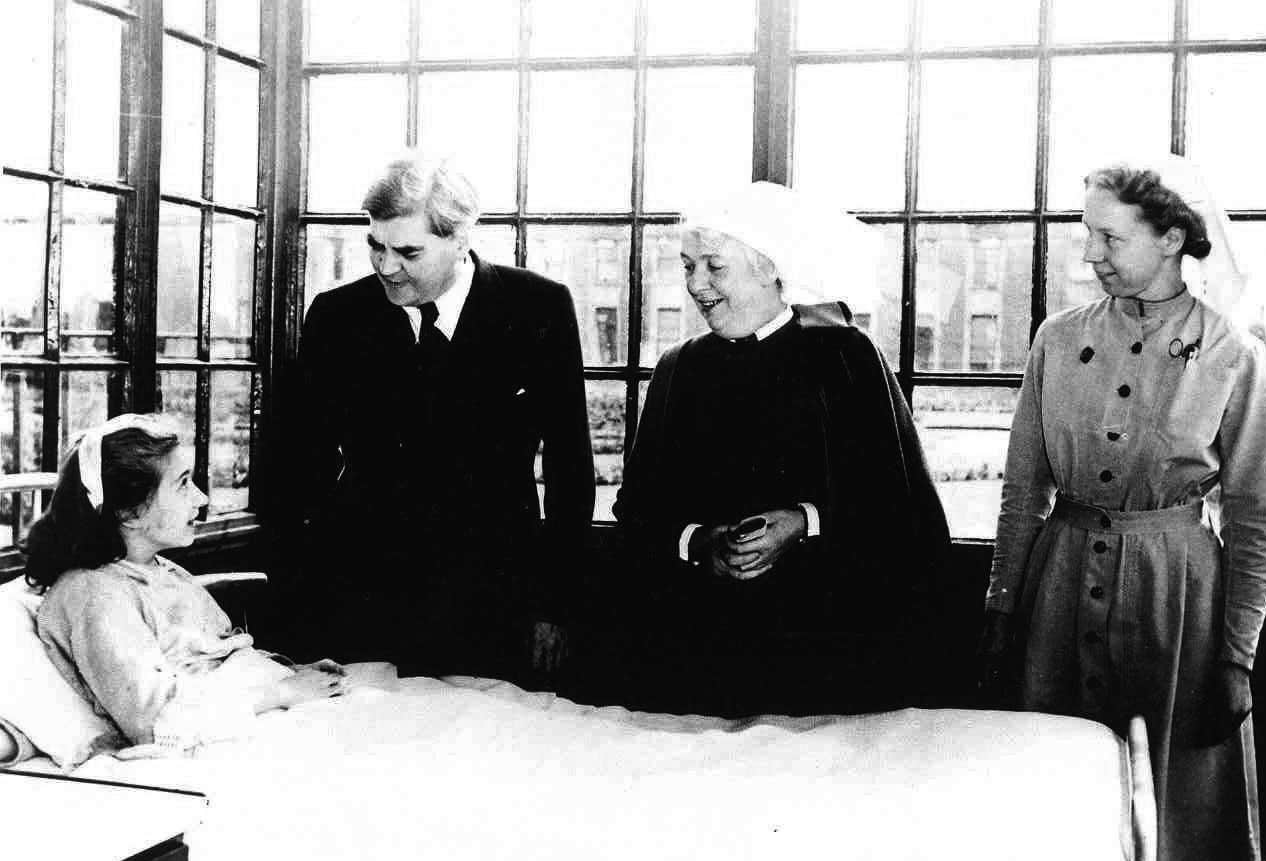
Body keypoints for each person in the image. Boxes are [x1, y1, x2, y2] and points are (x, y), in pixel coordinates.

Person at [980, 156, 1266, 861]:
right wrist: (1001, 611)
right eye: (1088, 233)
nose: (1090, 254)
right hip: (1055, 601)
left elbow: (1258, 518)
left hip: (1175, 606)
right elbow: (1024, 489)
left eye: (1110, 238)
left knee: (1170, 811)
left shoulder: (1232, 356)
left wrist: (1236, 657)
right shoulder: (1057, 338)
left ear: (1172, 237)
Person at [610, 182, 958, 718]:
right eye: (686, 266)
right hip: (701, 657)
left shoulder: (845, 357)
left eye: (714, 267)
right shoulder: (678, 369)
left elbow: (902, 507)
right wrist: (702, 542)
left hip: (825, 655)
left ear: (771, 268)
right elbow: (637, 512)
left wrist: (805, 521)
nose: (696, 285)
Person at [285, 154, 594, 683]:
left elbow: (570, 468)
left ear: (460, 239)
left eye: (408, 252)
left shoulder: (537, 308)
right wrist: (305, 589)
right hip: (362, 596)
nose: (386, 267)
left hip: (494, 597)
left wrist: (554, 607)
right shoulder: (335, 317)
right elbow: (295, 465)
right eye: (376, 246)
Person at [25, 414, 345, 758]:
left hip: (261, 710)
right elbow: (159, 725)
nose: (201, 498)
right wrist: (283, 692)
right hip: (213, 745)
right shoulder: (94, 597)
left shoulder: (159, 570)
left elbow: (213, 653)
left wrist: (290, 672)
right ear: (128, 513)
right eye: (182, 484)